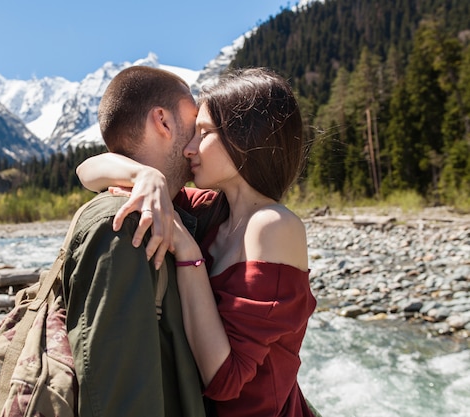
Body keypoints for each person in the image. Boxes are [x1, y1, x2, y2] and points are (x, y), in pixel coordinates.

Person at [77, 67, 318, 417]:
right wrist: (144, 175)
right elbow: (87, 171)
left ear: (243, 138)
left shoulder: (273, 225)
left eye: (202, 133)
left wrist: (189, 253)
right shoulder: (210, 209)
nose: (189, 147)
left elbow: (226, 380)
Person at [60, 66, 207, 417]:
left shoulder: (177, 208)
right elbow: (117, 400)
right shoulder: (124, 224)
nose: (199, 139)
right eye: (194, 122)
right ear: (163, 122)